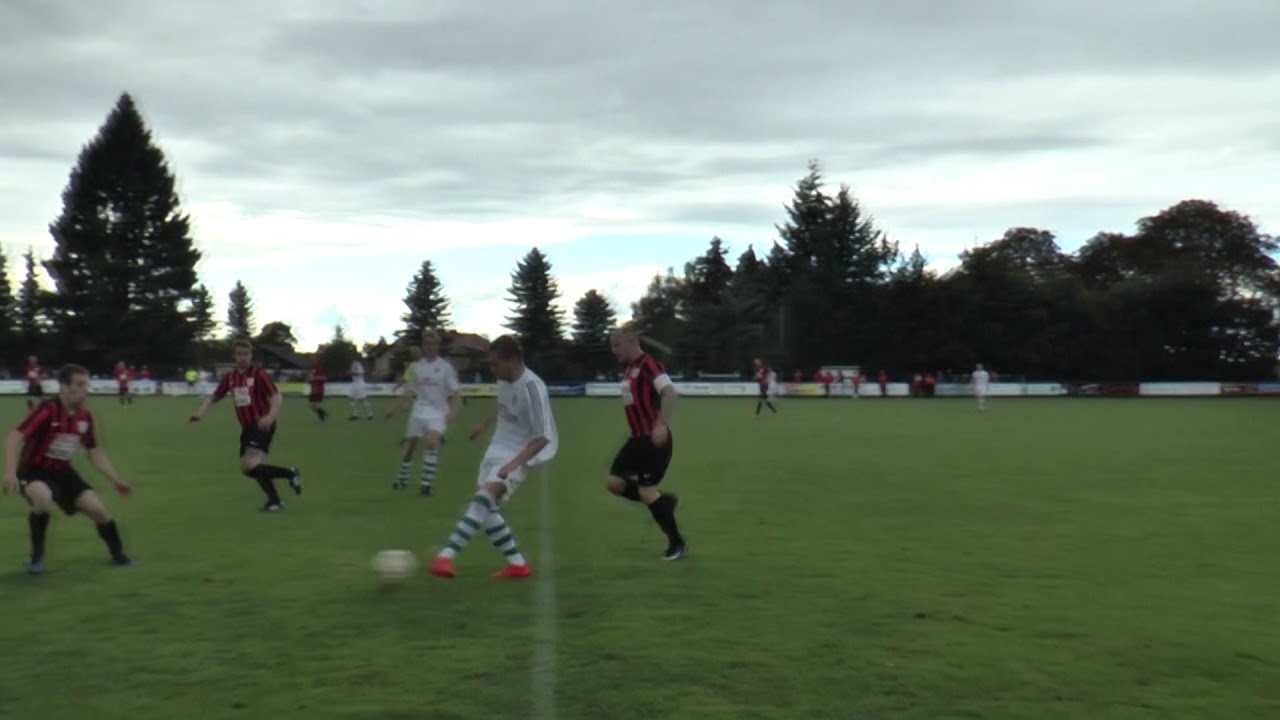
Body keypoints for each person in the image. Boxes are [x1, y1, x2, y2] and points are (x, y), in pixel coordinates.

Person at [427, 335, 556, 580]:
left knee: (484, 497)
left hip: (522, 451)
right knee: (486, 508)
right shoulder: (504, 379)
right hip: (497, 447)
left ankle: (446, 556)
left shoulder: (533, 388)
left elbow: (543, 437)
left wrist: (514, 464)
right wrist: (482, 426)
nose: (492, 369)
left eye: (496, 364)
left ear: (512, 360)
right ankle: (517, 564)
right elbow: (501, 404)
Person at [3, 364, 134, 574]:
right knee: (43, 498)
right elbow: (14, 437)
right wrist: (10, 473)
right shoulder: (48, 409)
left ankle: (120, 557)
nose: (86, 389)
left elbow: (94, 452)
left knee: (98, 510)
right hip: (33, 470)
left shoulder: (85, 416)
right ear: (64, 387)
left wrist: (116, 480)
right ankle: (36, 560)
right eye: (80, 384)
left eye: (87, 384)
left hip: (63, 472)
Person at [188, 339, 302, 512]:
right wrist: (200, 413)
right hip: (247, 428)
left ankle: (287, 480)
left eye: (246, 354)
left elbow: (276, 397)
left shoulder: (259, 375)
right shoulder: (230, 377)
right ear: (234, 356)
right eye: (239, 354)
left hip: (262, 424)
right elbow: (214, 398)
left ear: (251, 355)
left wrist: (270, 416)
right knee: (248, 469)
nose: (242, 358)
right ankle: (277, 496)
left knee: (251, 464)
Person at [606, 328, 687, 560]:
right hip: (636, 440)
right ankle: (664, 502)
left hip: (654, 441)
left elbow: (670, 393)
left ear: (630, 342)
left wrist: (661, 424)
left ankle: (677, 543)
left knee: (645, 491)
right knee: (614, 483)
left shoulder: (649, 365)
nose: (614, 351)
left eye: (616, 345)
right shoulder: (630, 369)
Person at [384, 330, 461, 495]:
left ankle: (426, 484)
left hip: (438, 413)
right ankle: (402, 478)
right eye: (426, 344)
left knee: (432, 442)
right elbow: (410, 391)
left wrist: (453, 411)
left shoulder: (446, 368)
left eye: (433, 344)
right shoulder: (417, 368)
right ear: (423, 346)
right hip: (418, 411)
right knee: (410, 448)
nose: (429, 347)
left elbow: (456, 393)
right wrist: (394, 408)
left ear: (438, 346)